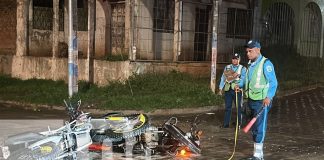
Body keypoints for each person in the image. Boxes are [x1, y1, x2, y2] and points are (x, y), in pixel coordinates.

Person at [244, 40, 278, 160]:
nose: (248, 53)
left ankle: (258, 155)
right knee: (254, 127)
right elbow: (248, 80)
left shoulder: (266, 63)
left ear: (258, 50)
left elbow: (273, 82)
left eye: (250, 51)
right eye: (247, 51)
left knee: (259, 127)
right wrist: (240, 85)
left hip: (262, 101)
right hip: (251, 100)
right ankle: (257, 154)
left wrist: (269, 97)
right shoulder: (250, 64)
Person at [218, 53, 246, 128]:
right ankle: (226, 124)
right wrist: (220, 88)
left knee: (239, 107)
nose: (234, 60)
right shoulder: (227, 67)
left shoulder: (242, 68)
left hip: (237, 90)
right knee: (227, 107)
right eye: (233, 58)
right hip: (228, 90)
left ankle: (238, 124)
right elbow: (223, 78)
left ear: (239, 60)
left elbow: (243, 80)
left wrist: (239, 85)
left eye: (236, 59)